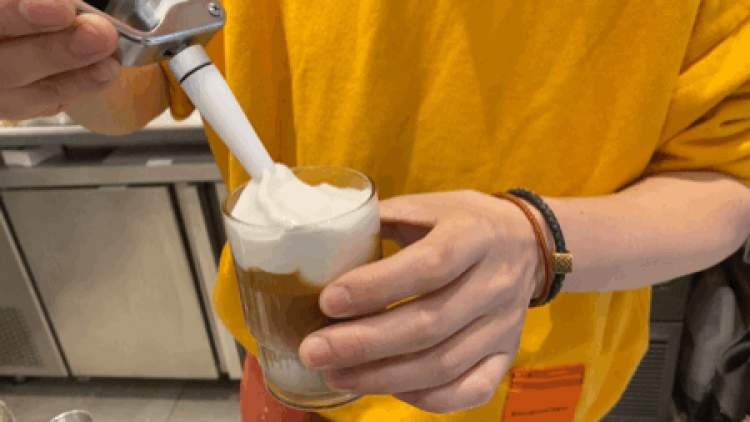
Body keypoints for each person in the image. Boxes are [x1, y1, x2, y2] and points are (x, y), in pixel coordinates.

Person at [3, 0, 750, 420]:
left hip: (523, 387)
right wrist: (49, 58)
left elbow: (726, 177)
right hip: (289, 376)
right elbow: (127, 89)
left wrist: (537, 241)